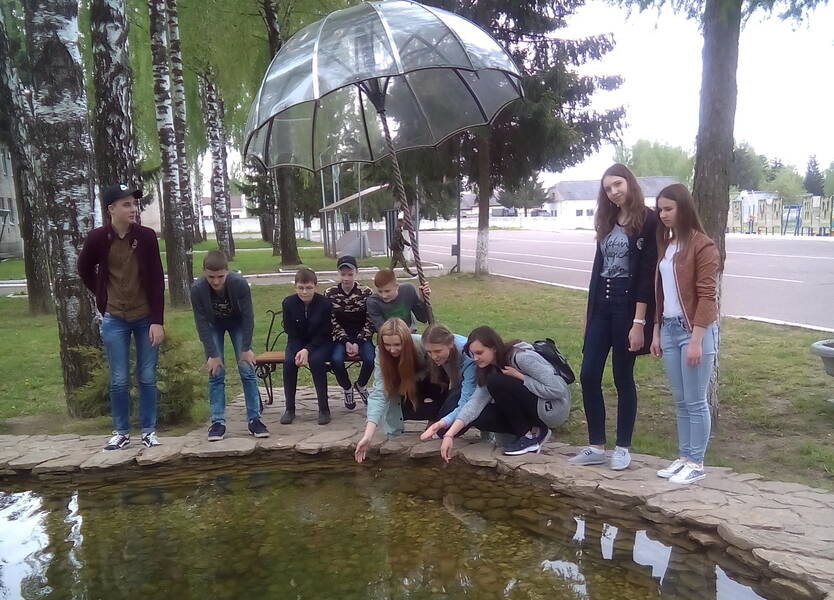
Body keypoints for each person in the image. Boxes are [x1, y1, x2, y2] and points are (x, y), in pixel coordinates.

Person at [570, 163, 658, 471]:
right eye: (608, 188)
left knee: (623, 377)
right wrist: (589, 315)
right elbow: (598, 269)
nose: (614, 192)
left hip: (627, 307)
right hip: (601, 305)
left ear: (629, 183)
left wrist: (639, 322)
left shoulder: (648, 220)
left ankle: (622, 447)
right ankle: (596, 446)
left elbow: (647, 274)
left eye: (618, 184)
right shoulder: (607, 220)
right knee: (588, 374)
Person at [78, 183, 165, 450]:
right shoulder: (97, 238)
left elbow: (156, 279)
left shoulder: (147, 237)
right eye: (126, 204)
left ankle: (149, 432)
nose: (133, 209)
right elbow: (84, 268)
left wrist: (157, 321)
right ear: (111, 209)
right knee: (119, 379)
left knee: (147, 376)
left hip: (144, 316)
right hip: (114, 318)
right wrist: (101, 295)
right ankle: (121, 433)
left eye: (134, 204)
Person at [650, 184, 720, 485]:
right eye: (660, 210)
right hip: (668, 328)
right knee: (680, 401)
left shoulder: (703, 246)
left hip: (693, 331)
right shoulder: (667, 245)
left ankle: (696, 462)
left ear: (684, 208)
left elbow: (707, 297)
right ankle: (683, 457)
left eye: (669, 209)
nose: (663, 215)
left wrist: (696, 339)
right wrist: (656, 331)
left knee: (695, 400)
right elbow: (661, 293)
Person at [423, 326, 571, 460]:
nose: (475, 359)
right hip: (533, 406)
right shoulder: (488, 369)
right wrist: (448, 433)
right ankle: (526, 435)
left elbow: (558, 389)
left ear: (493, 348)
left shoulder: (520, 357)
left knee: (496, 381)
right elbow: (475, 403)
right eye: (472, 354)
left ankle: (534, 433)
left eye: (479, 353)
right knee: (479, 415)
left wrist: (521, 377)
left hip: (553, 409)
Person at [191, 251, 269, 441]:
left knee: (247, 370)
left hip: (238, 323)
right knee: (216, 372)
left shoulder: (239, 284)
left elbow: (248, 316)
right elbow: (201, 322)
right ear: (204, 272)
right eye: (211, 277)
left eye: (220, 276)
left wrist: (246, 348)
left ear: (227, 271)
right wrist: (212, 354)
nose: (216, 281)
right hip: (213, 325)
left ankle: (254, 420)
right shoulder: (197, 289)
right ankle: (217, 422)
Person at [354, 318, 447, 463]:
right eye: (387, 345)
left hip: (433, 384)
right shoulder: (381, 353)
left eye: (397, 344)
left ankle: (436, 419)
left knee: (441, 383)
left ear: (406, 341)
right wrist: (368, 435)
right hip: (407, 390)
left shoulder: (422, 344)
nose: (392, 350)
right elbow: (379, 393)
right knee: (397, 408)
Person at [281, 268, 333, 425]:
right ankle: (289, 409)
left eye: (309, 287)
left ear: (315, 286)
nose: (304, 292)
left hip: (320, 342)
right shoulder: (288, 303)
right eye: (301, 288)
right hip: (296, 342)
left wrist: (307, 350)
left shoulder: (324, 304)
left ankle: (324, 409)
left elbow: (325, 332)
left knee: (316, 361)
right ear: (295, 287)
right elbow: (290, 330)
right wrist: (300, 350)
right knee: (289, 362)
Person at [325, 255, 375, 409]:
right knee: (336, 360)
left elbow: (370, 320)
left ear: (356, 273)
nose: (346, 278)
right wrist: (345, 341)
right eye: (343, 274)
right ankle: (347, 388)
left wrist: (358, 342)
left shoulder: (366, 292)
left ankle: (361, 385)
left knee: (370, 358)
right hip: (341, 337)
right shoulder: (330, 293)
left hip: (362, 336)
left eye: (350, 274)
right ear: (338, 274)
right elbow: (331, 321)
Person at [418, 324, 478, 433]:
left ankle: (483, 428)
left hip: (478, 390)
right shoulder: (443, 353)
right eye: (429, 352)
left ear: (450, 344)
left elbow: (467, 399)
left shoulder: (469, 358)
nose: (434, 356)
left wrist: (447, 421)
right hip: (458, 382)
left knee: (444, 431)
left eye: (437, 351)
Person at [366, 268, 431, 332]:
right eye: (380, 291)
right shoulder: (373, 302)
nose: (384, 295)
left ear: (397, 286)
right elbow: (382, 329)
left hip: (409, 333)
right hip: (388, 336)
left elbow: (423, 318)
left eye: (387, 291)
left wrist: (422, 300)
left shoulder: (408, 290)